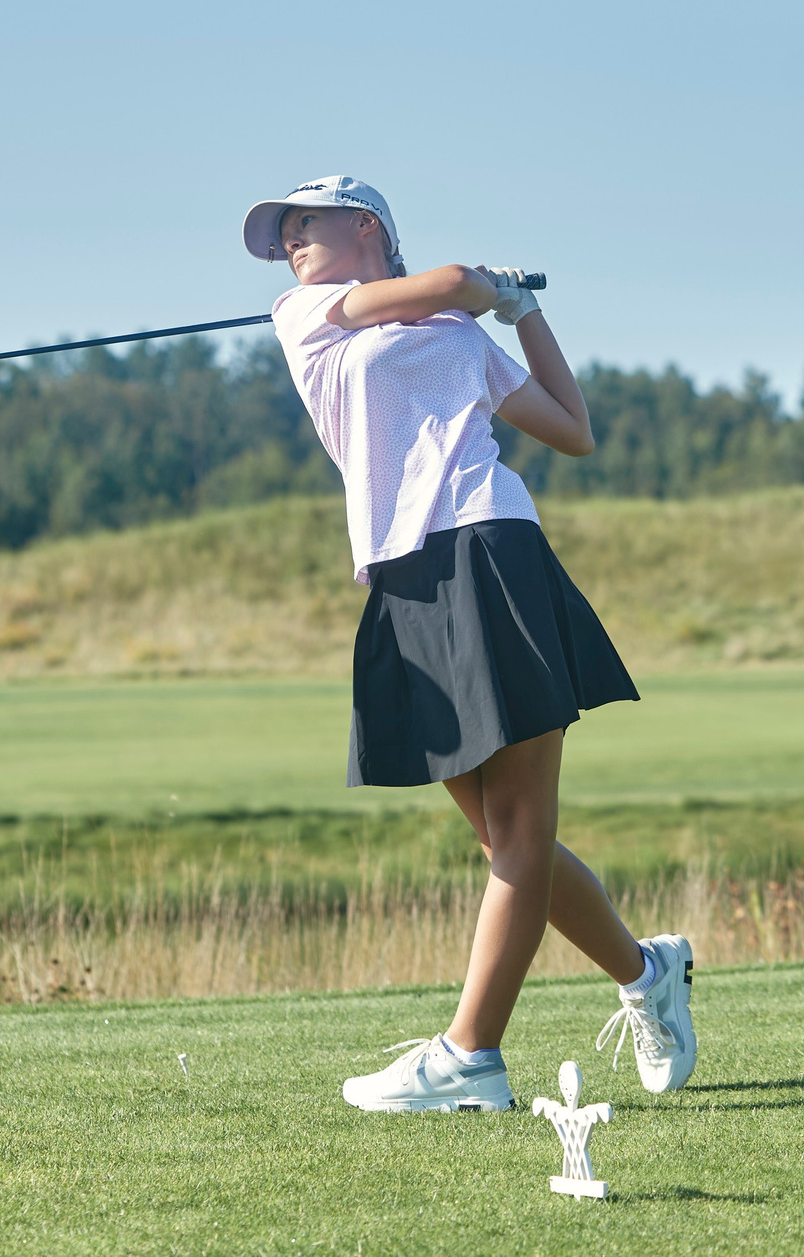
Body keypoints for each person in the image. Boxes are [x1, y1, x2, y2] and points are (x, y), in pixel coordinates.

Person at [240, 173, 698, 1113]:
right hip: (403, 577)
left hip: (491, 544)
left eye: (304, 224)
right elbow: (448, 281)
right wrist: (480, 284)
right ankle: (648, 972)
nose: (290, 241)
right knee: (503, 839)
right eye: (283, 233)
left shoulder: (459, 336)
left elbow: (572, 431)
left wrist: (521, 313)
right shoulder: (307, 312)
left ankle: (470, 1056)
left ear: (362, 225)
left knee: (520, 835)